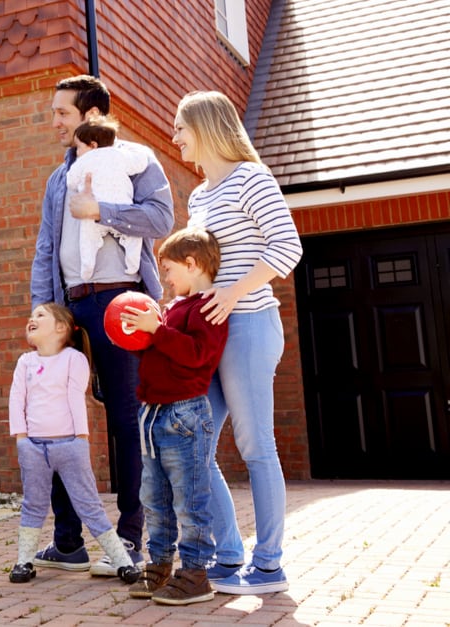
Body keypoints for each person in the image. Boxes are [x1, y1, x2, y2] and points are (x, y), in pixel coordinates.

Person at [30, 74, 175, 577]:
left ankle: (133, 535)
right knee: (59, 422)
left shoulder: (137, 160)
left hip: (121, 301)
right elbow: (47, 247)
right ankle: (68, 541)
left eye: (62, 113)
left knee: (126, 420)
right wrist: (43, 312)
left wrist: (102, 211)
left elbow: (161, 219)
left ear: (90, 116)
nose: (54, 122)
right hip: (70, 309)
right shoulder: (56, 179)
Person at [172, 90, 303, 595]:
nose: (176, 136)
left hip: (249, 326)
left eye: (181, 127)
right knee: (194, 447)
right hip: (210, 333)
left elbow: (286, 247)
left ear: (205, 127)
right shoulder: (199, 195)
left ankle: (268, 564)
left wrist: (231, 293)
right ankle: (229, 554)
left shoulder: (253, 178)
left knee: (255, 447)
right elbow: (201, 269)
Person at [118, 227, 228, 605]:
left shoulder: (208, 307)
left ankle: (196, 572)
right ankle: (159, 564)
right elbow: (157, 356)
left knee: (189, 498)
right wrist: (139, 338)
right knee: (154, 497)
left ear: (192, 263)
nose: (164, 278)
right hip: (151, 415)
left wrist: (158, 330)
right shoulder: (171, 309)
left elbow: (198, 354)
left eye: (167, 269)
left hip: (185, 415)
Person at [7, 302, 140, 585]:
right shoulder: (25, 362)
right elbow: (17, 401)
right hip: (33, 448)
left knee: (89, 505)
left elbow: (75, 399)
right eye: (31, 315)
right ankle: (24, 561)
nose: (32, 318)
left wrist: (82, 439)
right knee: (33, 504)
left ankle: (123, 562)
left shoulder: (73, 359)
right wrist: (21, 438)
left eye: (40, 315)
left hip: (69, 445)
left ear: (61, 328)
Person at [68, 116, 149, 281]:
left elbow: (70, 180)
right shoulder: (119, 154)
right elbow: (140, 162)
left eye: (79, 147)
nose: (77, 152)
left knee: (87, 240)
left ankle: (87, 268)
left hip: (93, 212)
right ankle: (132, 264)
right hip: (121, 210)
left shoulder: (84, 160)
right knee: (133, 239)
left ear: (93, 146)